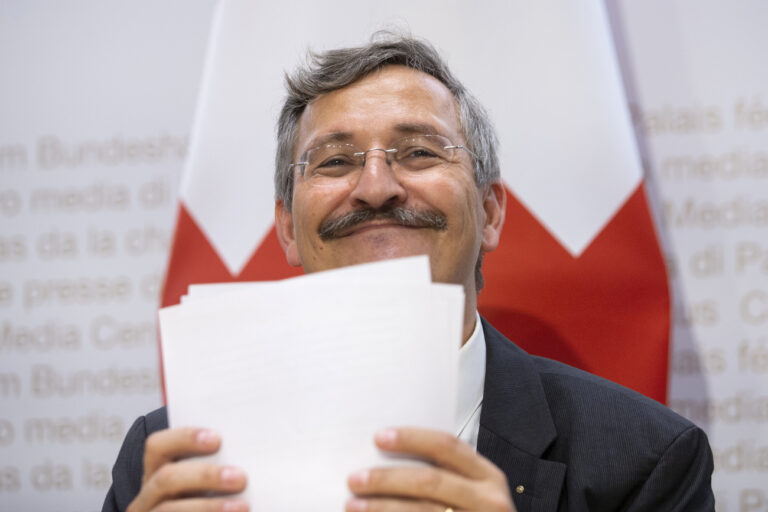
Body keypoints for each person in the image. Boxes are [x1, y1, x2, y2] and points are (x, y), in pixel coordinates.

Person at [103, 34, 714, 512]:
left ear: (490, 212)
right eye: (336, 161)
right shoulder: (165, 462)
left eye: (420, 152)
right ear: (288, 229)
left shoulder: (646, 460)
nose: (375, 187)